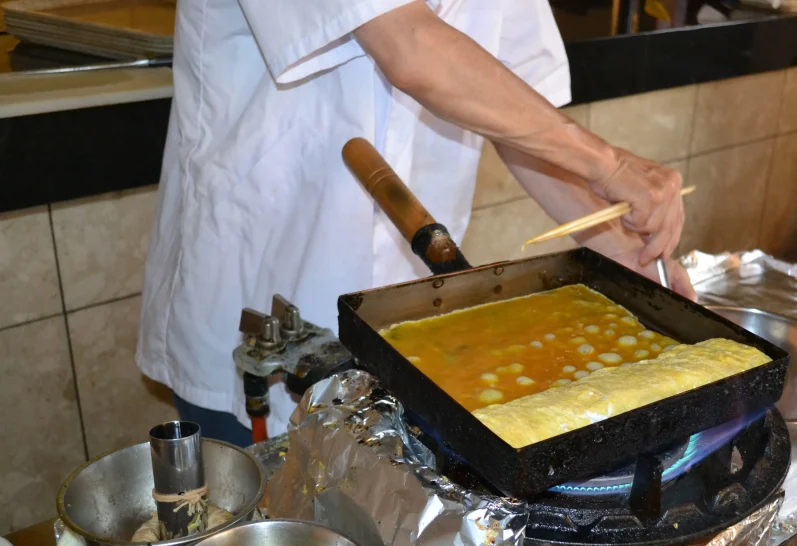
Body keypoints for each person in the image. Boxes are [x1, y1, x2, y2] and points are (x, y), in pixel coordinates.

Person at [137, 0, 696, 447]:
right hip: (262, 279)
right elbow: (408, 46)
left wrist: (612, 243)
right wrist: (609, 166)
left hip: (410, 309)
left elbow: (519, 114)